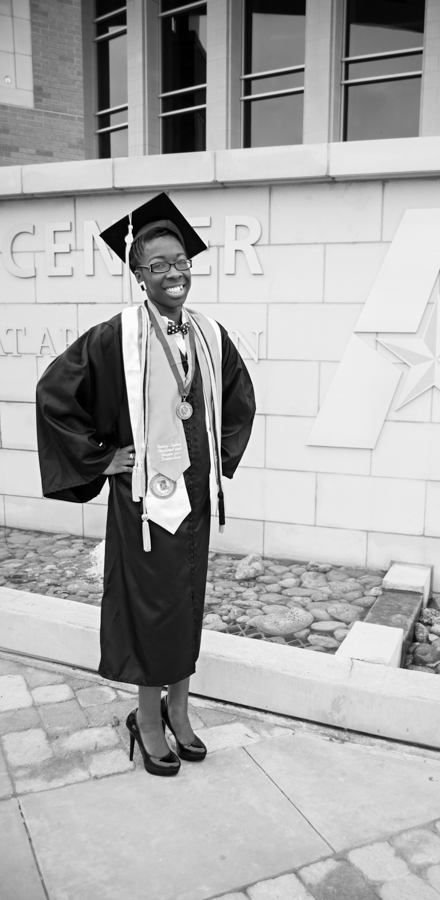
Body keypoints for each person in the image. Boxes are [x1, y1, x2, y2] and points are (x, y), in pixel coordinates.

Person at [36, 193, 255, 776]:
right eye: (157, 264)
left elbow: (238, 400)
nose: (173, 272)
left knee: (187, 604)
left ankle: (180, 712)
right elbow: (55, 394)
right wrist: (101, 457)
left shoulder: (208, 334)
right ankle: (148, 718)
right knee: (152, 609)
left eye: (179, 260)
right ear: (138, 275)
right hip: (144, 501)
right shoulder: (117, 337)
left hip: (194, 496)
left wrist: (212, 463)